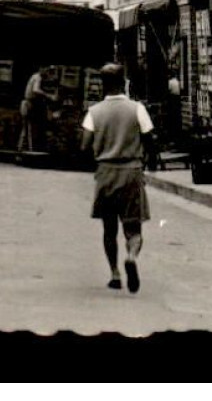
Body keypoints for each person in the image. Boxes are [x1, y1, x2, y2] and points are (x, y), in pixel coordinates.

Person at [81, 62, 155, 294]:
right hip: (131, 172)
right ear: (123, 82)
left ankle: (114, 273)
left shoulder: (94, 112)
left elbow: (84, 146)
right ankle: (131, 256)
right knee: (134, 228)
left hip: (106, 173)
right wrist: (146, 161)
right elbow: (150, 139)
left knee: (109, 228)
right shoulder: (137, 108)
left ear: (103, 85)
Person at [19, 65, 60, 152]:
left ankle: (24, 148)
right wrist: (49, 96)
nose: (47, 72)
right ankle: (28, 149)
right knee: (29, 128)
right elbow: (36, 90)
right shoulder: (38, 77)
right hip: (28, 104)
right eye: (46, 70)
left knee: (26, 128)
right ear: (42, 69)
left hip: (26, 103)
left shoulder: (36, 77)